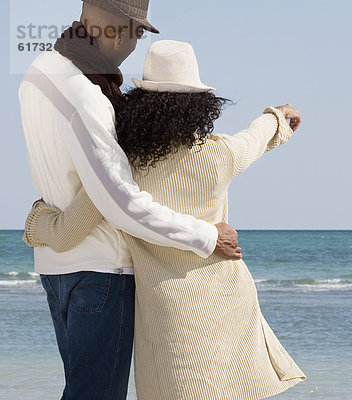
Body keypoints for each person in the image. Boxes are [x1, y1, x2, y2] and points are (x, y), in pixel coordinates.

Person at [24, 40, 306, 400]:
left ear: (141, 104)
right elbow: (255, 137)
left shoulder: (124, 168)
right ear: (201, 107)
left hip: (167, 316)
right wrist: (279, 117)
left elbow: (66, 233)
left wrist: (36, 223)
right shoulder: (221, 154)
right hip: (227, 301)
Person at [19, 1, 240, 399]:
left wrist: (45, 226)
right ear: (121, 32)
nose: (134, 48)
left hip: (56, 270)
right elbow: (121, 201)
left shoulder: (37, 74)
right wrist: (207, 236)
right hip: (102, 273)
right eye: (139, 35)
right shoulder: (87, 96)